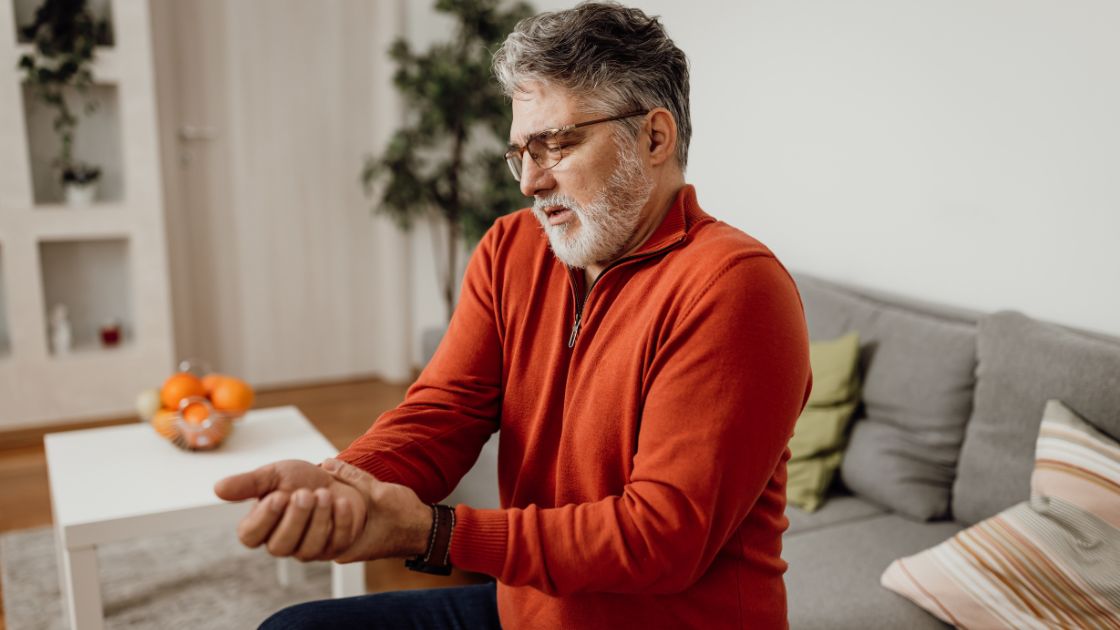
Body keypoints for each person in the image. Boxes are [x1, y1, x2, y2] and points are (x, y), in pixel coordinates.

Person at [214, 3, 812, 628]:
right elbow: (443, 411)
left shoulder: (734, 287)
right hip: (528, 609)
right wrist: (342, 481)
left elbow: (659, 540)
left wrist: (432, 532)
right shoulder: (512, 247)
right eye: (520, 152)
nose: (529, 181)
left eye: (555, 145)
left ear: (654, 137)